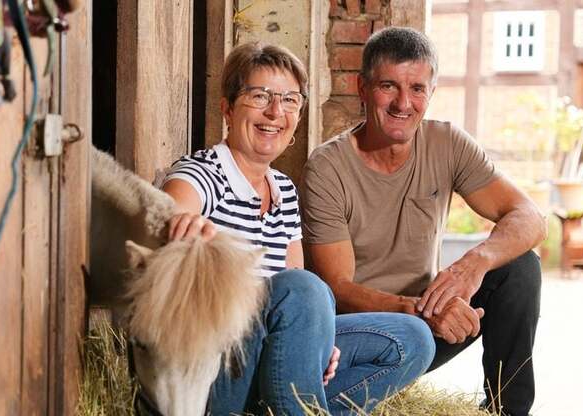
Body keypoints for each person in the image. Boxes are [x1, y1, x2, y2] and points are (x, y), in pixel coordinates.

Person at [161, 41, 435, 415]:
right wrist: (183, 223)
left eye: (290, 100)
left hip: (271, 367)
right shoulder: (203, 173)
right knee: (304, 287)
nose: (275, 112)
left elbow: (296, 294)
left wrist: (315, 339)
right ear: (227, 108)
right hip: (215, 370)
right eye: (260, 96)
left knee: (413, 337)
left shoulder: (284, 191)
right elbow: (173, 209)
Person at [300, 27, 546, 416]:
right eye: (388, 86)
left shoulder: (448, 143)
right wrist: (418, 311)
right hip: (360, 343)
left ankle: (507, 410)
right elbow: (338, 288)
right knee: (405, 329)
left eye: (417, 88)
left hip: (429, 324)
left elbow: (530, 217)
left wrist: (473, 265)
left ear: (431, 92)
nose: (403, 103)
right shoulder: (327, 167)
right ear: (361, 88)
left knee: (519, 267)